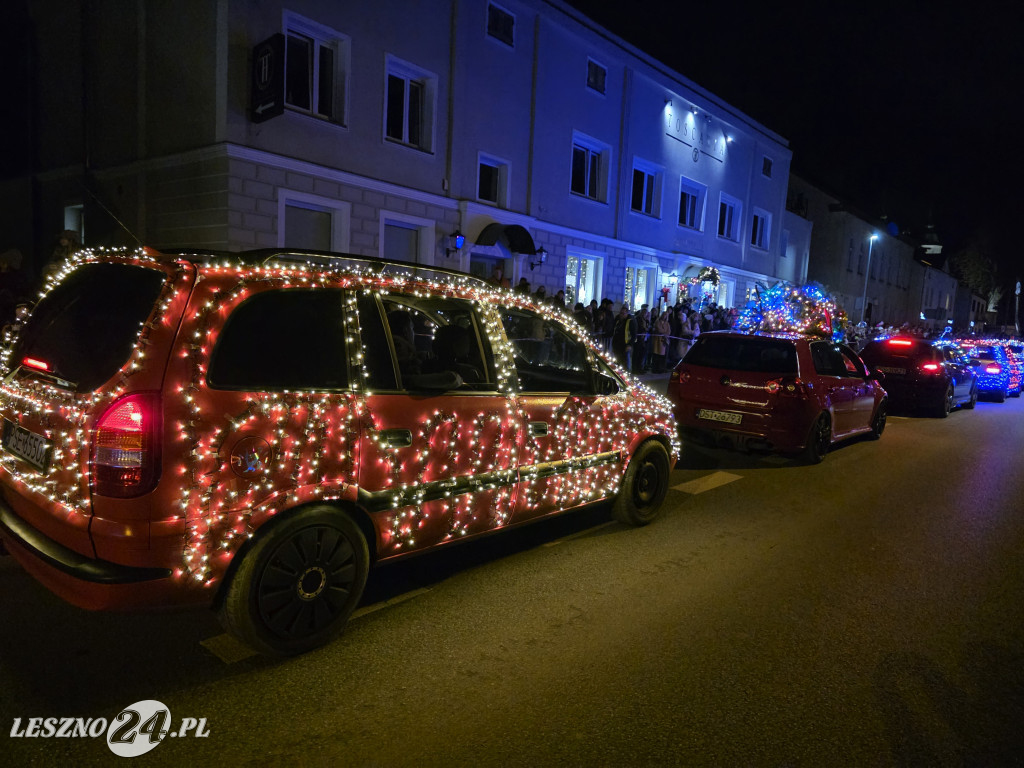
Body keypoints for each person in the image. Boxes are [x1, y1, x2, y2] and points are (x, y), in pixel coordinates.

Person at [611, 304, 636, 370]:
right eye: (620, 313)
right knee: (617, 361)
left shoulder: (630, 321)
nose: (621, 315)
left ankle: (626, 375)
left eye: (623, 313)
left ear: (627, 313)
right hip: (617, 344)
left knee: (625, 362)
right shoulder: (618, 320)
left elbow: (634, 335)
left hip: (625, 345)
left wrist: (629, 345)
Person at [651, 308, 671, 372]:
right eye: (663, 314)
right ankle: (655, 368)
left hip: (663, 341)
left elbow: (669, 331)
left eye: (666, 315)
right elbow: (659, 329)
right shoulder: (658, 321)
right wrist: (664, 332)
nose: (664, 316)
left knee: (661, 355)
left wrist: (665, 334)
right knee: (656, 354)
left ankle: (660, 368)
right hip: (657, 340)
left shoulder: (667, 323)